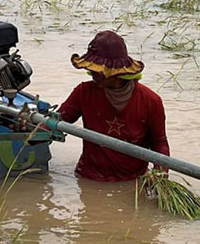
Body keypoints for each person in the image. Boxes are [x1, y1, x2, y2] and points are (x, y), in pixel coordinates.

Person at [58, 30, 170, 182]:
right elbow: (57, 122)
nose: (90, 71)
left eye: (97, 69)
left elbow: (160, 143)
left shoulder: (151, 101)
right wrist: (33, 130)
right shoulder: (84, 92)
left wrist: (159, 174)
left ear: (116, 72)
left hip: (131, 181)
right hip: (89, 179)